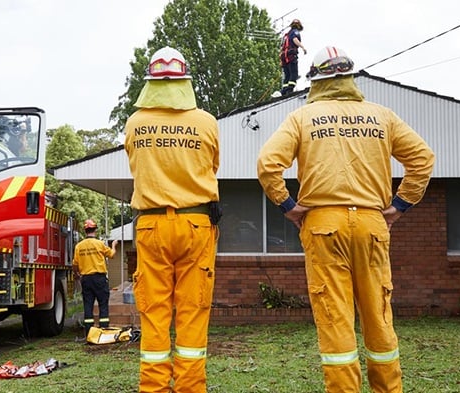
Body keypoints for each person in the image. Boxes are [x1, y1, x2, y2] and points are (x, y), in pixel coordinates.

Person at [257, 46, 435, 393]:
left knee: (335, 318)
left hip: (323, 225)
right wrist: (400, 205)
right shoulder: (382, 116)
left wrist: (288, 206)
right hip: (372, 223)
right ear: (350, 79)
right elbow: (422, 159)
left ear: (317, 82)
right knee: (378, 317)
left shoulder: (302, 118)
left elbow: (267, 164)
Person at [124, 46, 221, 393]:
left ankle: (153, 388)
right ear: (185, 81)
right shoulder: (206, 122)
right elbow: (211, 167)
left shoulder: (135, 123)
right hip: (196, 223)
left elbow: (136, 167)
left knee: (154, 312)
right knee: (193, 312)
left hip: (150, 225)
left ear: (150, 82)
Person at [72, 219, 118, 337]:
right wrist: (113, 245)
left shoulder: (79, 246)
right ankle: (103, 332)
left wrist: (76, 274)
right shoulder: (99, 244)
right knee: (103, 304)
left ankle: (89, 333)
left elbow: (75, 264)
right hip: (99, 278)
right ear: (95, 230)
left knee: (88, 305)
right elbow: (111, 255)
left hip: (86, 279)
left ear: (85, 230)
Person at [279, 19, 307, 96]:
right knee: (294, 73)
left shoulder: (286, 35)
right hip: (291, 55)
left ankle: (284, 91)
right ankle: (290, 89)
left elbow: (282, 47)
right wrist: (302, 47)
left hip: (284, 56)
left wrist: (281, 60)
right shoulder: (295, 32)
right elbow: (295, 39)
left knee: (287, 75)